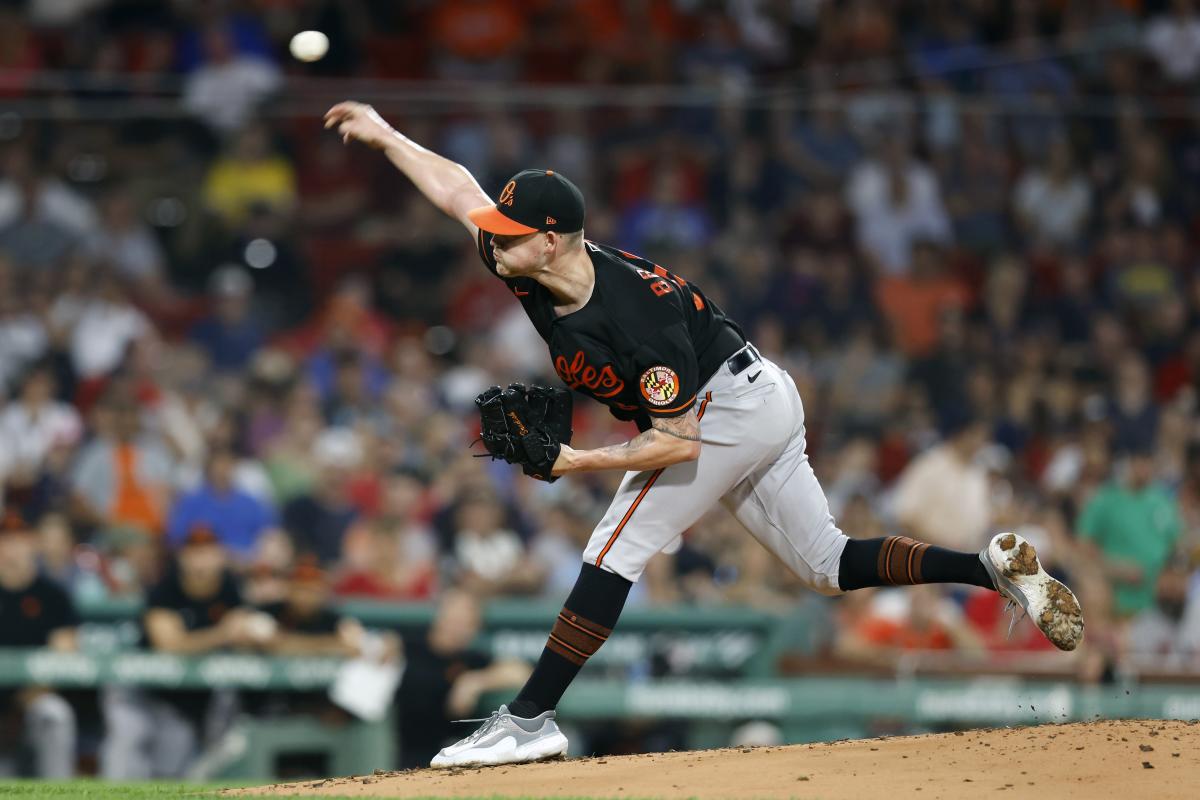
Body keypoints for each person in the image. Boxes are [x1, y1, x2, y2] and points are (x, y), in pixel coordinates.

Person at [324, 101, 1085, 768]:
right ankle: (989, 569)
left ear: (553, 240)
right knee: (824, 563)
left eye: (511, 235)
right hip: (756, 393)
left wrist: (577, 459)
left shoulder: (632, 315)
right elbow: (460, 189)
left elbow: (678, 443)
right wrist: (387, 133)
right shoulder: (527, 261)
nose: (492, 242)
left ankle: (526, 720)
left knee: (611, 548)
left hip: (724, 411)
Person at [100, 527, 257, 779]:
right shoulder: (165, 587)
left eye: (207, 552)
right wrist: (223, 632)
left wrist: (249, 632)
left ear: (220, 556)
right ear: (182, 557)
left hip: (193, 700)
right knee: (135, 751)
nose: (201, 560)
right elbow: (169, 644)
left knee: (176, 763)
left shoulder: (231, 589)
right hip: (147, 693)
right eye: (194, 553)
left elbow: (245, 635)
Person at [394, 588, 531, 769]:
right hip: (401, 752)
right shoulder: (409, 647)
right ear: (439, 616)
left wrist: (475, 681)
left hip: (450, 755)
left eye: (467, 622)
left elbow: (522, 672)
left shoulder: (472, 660)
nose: (458, 627)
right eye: (454, 618)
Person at [0, 510, 78, 778]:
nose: (11, 549)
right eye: (4, 540)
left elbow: (64, 656)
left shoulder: (52, 595)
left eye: (19, 540)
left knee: (55, 714)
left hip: (34, 698)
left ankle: (57, 794)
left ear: (33, 543)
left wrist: (21, 702)